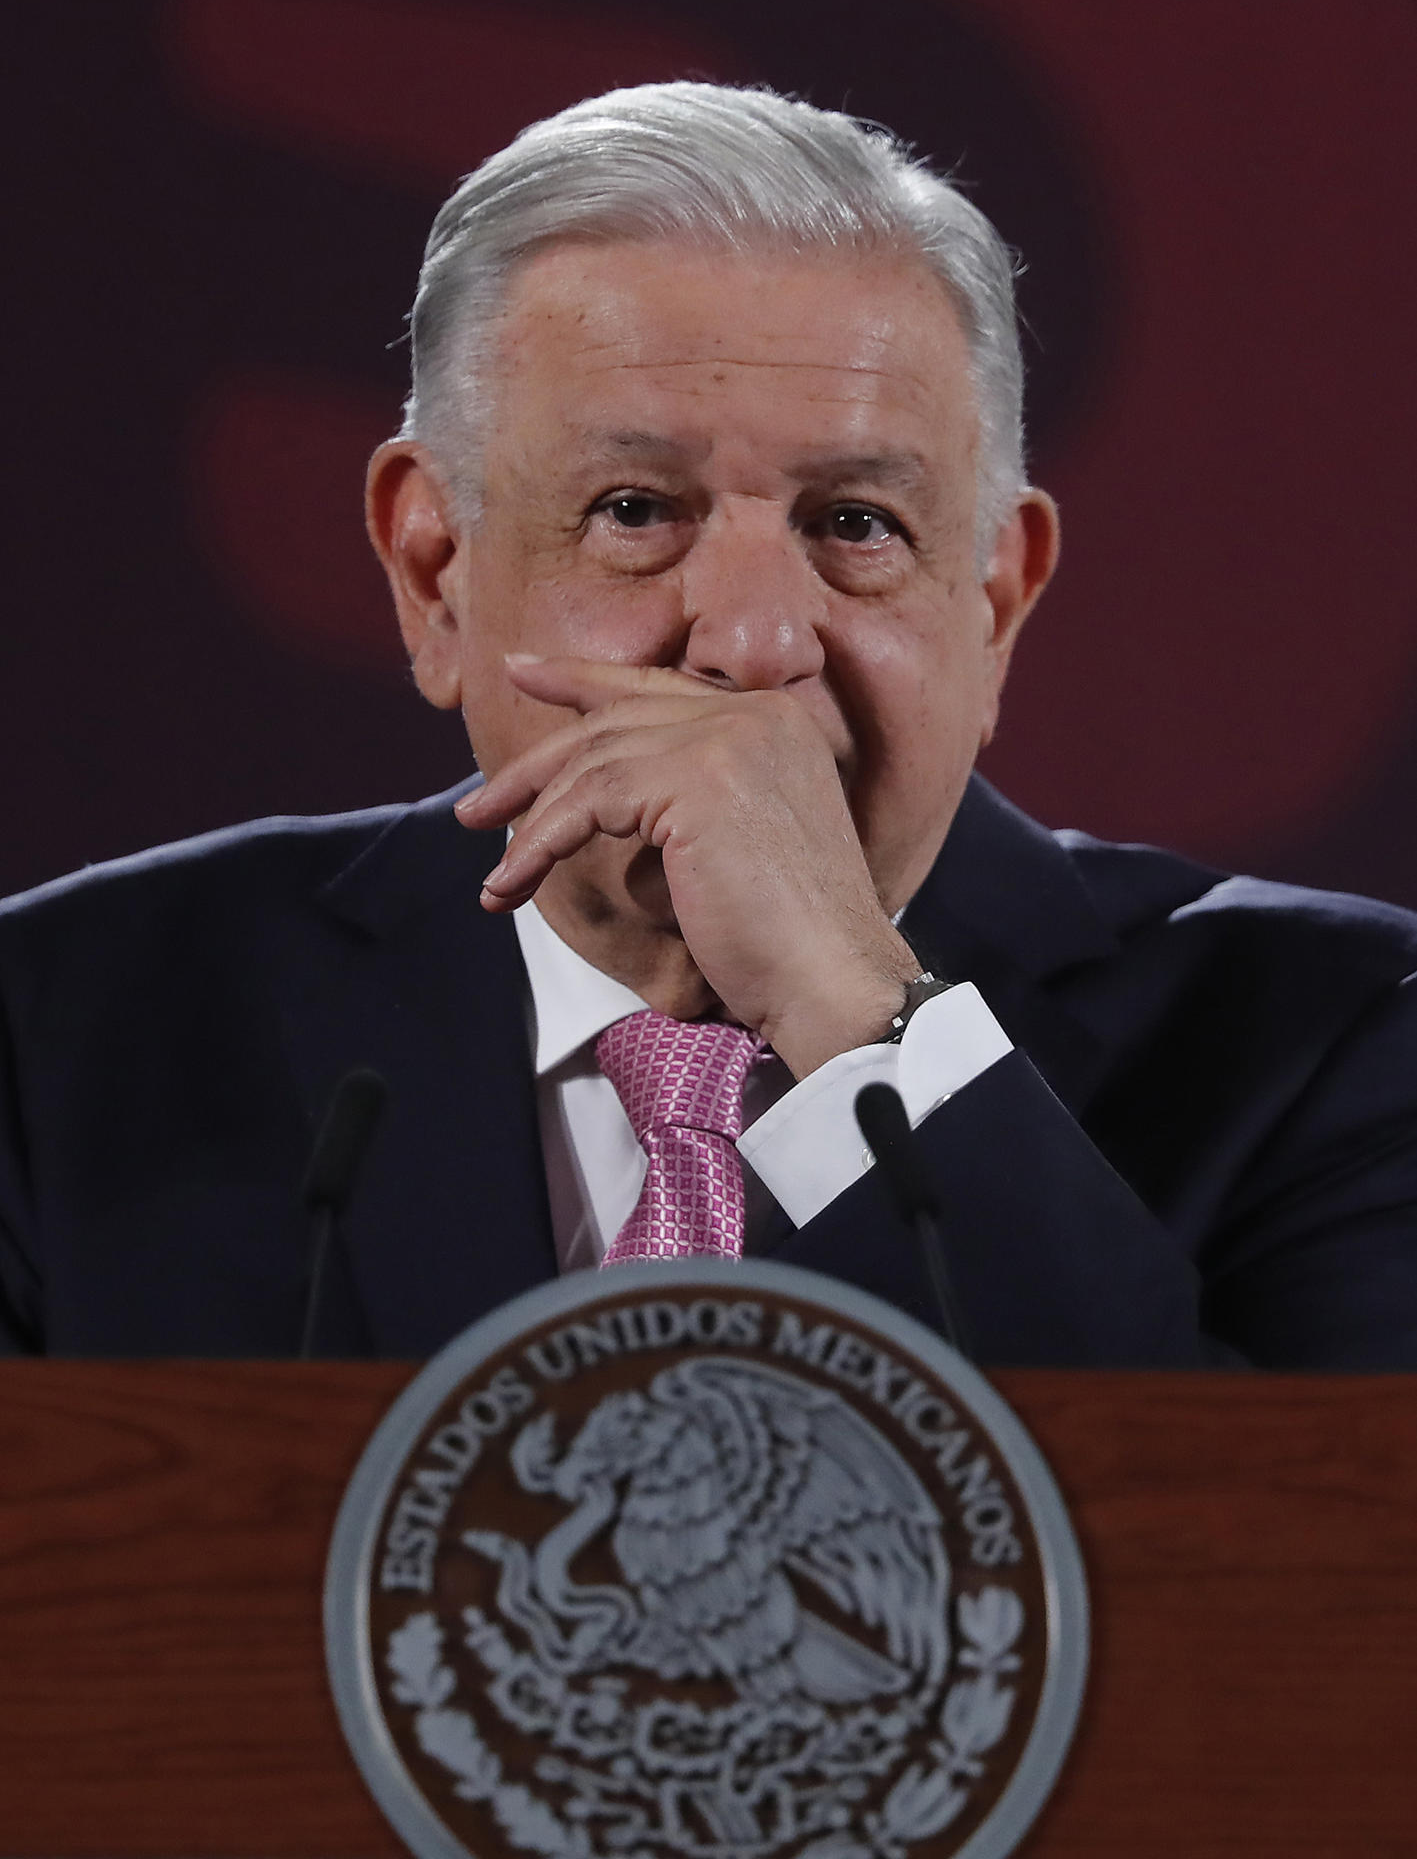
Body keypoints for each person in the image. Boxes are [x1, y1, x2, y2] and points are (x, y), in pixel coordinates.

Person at [1, 83, 1414, 1365]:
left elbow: (1279, 1604)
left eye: (854, 524)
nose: (748, 644)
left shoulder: (1336, 1049)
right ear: (434, 573)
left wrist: (860, 1019)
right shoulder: (59, 1032)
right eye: (634, 513)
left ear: (994, 604)